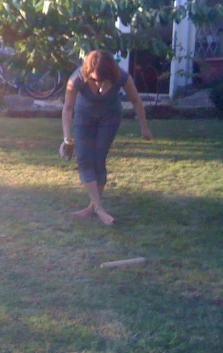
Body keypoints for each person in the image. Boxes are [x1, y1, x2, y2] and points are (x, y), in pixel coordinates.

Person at [60, 50, 153, 225]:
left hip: (109, 118)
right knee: (84, 159)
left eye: (103, 80)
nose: (99, 83)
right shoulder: (77, 79)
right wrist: (67, 138)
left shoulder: (121, 77)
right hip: (83, 117)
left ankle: (92, 207)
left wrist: (144, 128)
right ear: (88, 72)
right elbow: (67, 108)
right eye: (95, 79)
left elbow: (136, 101)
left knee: (98, 159)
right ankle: (98, 208)